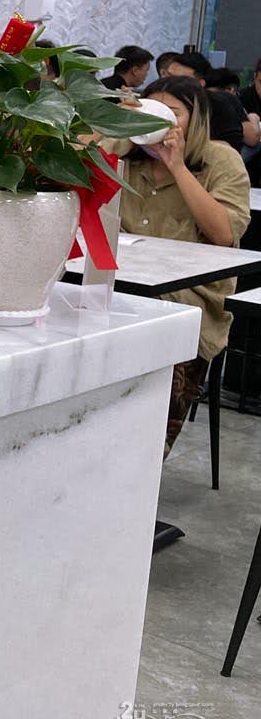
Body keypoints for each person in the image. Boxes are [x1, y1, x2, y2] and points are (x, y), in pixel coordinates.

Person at [109, 76, 251, 453]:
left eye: (172, 113)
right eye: (149, 111)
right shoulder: (123, 157)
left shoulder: (221, 160)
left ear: (196, 120)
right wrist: (113, 131)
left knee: (144, 426)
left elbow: (223, 234)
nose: (158, 121)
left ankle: (143, 462)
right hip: (118, 289)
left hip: (186, 299)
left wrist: (177, 167)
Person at [160, 53, 255, 153]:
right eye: (167, 76)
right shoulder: (158, 99)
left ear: (200, 84)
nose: (169, 83)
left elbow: (230, 149)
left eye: (179, 80)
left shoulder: (219, 103)